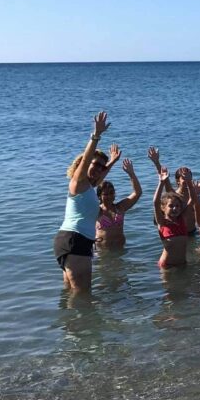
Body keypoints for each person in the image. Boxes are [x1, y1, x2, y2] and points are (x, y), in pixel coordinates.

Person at [54, 112, 115, 291]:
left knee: (71, 296)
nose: (98, 169)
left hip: (71, 241)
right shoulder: (78, 182)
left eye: (101, 167)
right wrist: (96, 136)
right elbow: (88, 159)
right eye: (94, 164)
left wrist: (111, 162)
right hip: (75, 240)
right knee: (83, 297)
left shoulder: (88, 188)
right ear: (84, 164)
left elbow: (100, 175)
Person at [153, 167, 199, 268]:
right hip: (167, 265)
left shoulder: (182, 219)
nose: (175, 208)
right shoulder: (162, 222)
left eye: (177, 206)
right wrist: (161, 182)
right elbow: (156, 202)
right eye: (171, 206)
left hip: (183, 263)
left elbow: (193, 199)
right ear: (163, 208)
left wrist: (189, 182)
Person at [95, 157, 143, 248]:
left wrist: (131, 173)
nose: (109, 196)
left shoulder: (120, 207)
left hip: (120, 250)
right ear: (99, 196)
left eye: (111, 193)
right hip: (102, 252)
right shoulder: (96, 210)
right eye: (105, 194)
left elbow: (138, 193)